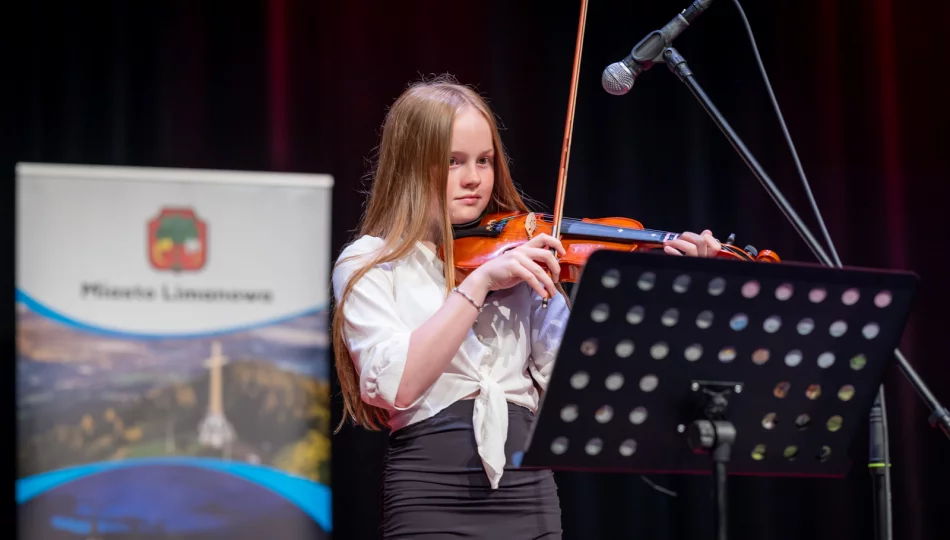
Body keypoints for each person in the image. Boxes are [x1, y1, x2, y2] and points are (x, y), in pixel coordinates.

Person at [331, 75, 722, 539]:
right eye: (454, 162)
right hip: (431, 492)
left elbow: (577, 384)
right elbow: (396, 386)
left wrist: (663, 288)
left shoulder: (519, 256)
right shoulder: (372, 260)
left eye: (484, 161)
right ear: (411, 165)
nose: (474, 178)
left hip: (529, 491)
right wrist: (479, 284)